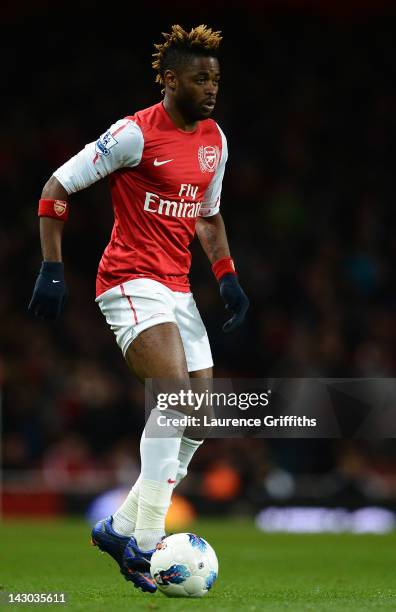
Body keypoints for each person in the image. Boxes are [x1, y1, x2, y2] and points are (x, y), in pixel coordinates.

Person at [28, 24, 249, 593]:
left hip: (177, 286)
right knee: (173, 397)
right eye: (200, 78)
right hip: (129, 279)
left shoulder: (215, 141)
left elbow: (208, 214)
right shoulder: (132, 134)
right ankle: (147, 544)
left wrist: (226, 278)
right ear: (170, 79)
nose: (210, 88)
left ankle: (118, 526)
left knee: (200, 417)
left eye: (215, 79)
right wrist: (52, 267)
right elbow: (56, 187)